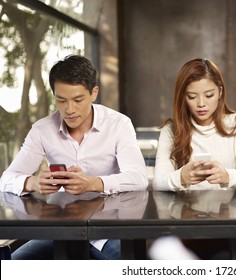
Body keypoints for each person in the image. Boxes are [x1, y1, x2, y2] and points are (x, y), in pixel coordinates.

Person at [0, 55, 148, 259]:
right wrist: (33, 183)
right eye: (61, 100)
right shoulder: (42, 130)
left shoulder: (118, 124)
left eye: (78, 100)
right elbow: (6, 179)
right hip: (58, 230)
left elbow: (139, 178)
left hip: (107, 230)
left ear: (93, 93)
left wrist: (93, 183)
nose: (69, 110)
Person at [153, 58, 236, 192]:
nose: (201, 103)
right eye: (192, 97)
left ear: (220, 92)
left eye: (209, 95)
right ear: (183, 97)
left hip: (227, 211)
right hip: (185, 210)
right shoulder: (171, 130)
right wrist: (181, 177)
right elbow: (158, 184)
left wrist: (227, 177)